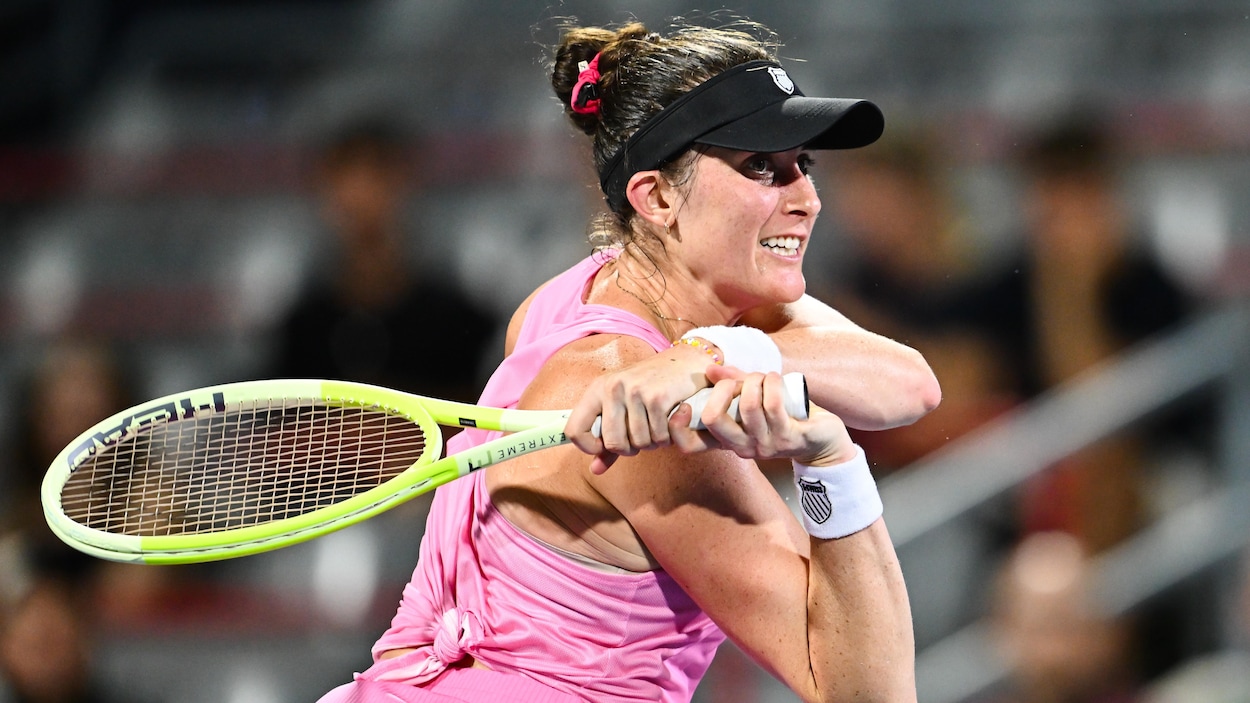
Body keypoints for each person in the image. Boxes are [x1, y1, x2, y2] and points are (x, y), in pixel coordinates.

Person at [318, 18, 940, 703]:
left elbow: (909, 381)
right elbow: (866, 689)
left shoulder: (576, 296)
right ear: (658, 197)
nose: (807, 199)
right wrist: (828, 462)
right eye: (762, 167)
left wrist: (711, 353)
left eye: (804, 165)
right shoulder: (643, 424)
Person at [268, 119, 501, 402]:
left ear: (405, 182)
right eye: (345, 176)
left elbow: (480, 420)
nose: (362, 195)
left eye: (377, 174)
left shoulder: (459, 322)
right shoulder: (301, 331)